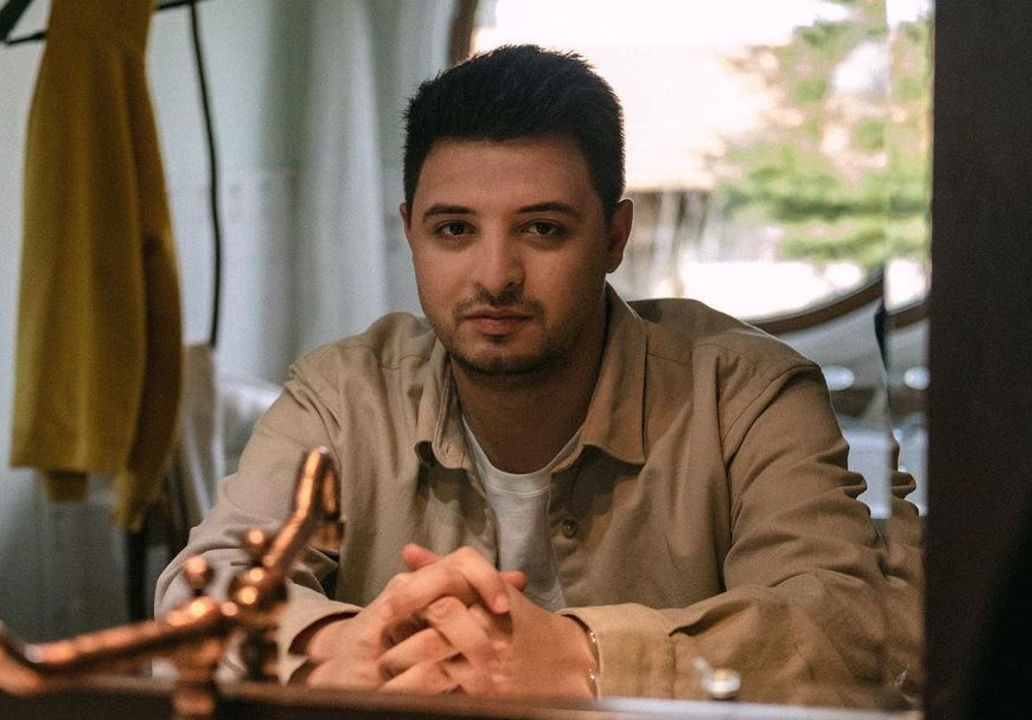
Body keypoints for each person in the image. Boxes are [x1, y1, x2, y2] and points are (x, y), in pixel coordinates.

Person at [156, 44, 919, 706]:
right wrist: (334, 649)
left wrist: (583, 659)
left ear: (614, 237)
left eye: (543, 229)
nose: (496, 275)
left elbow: (847, 627)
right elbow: (203, 585)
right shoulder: (342, 395)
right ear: (410, 232)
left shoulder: (744, 395)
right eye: (455, 229)